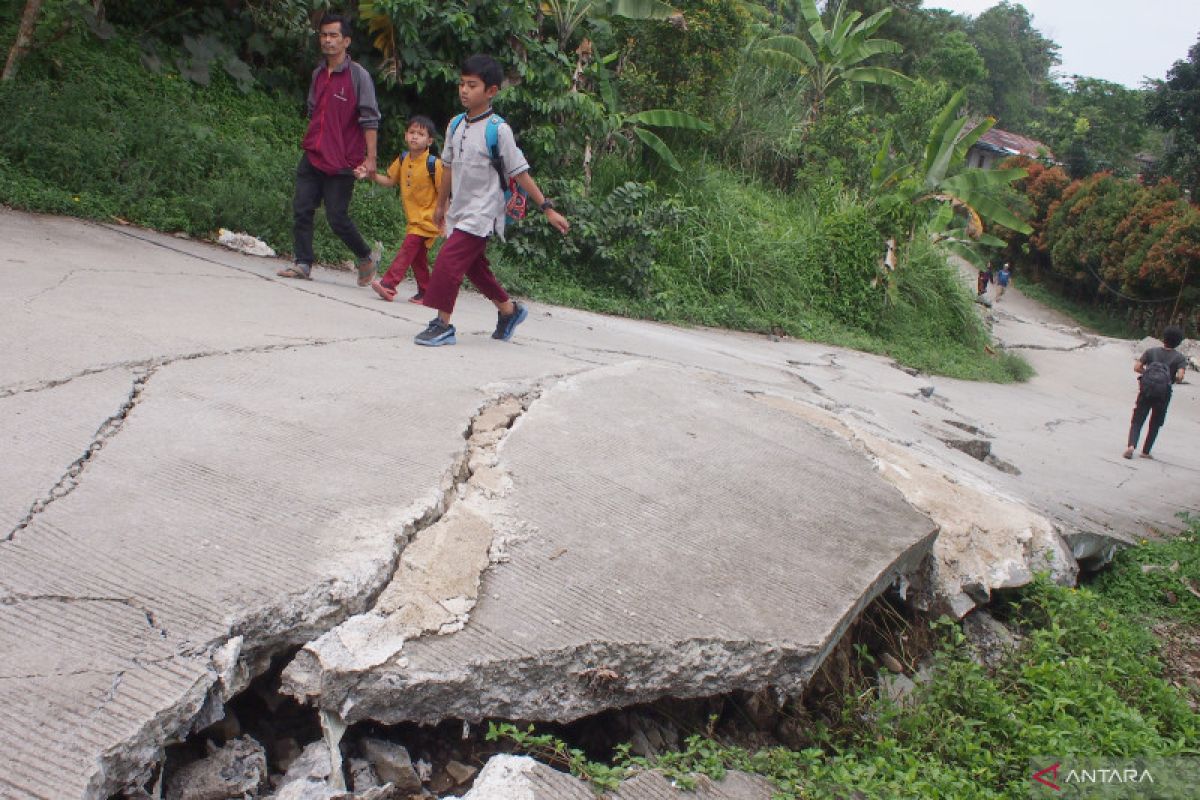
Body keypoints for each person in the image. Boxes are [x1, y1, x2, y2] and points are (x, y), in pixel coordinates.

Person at [414, 54, 570, 347]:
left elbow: (519, 172)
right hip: (460, 210)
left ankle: (442, 324)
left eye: (472, 85)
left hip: (484, 212)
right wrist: (440, 205)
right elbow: (447, 166)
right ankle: (509, 311)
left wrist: (547, 208)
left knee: (448, 261)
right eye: (462, 84)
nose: (464, 90)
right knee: (475, 268)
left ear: (491, 91)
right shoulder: (455, 125)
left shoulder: (498, 130)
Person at [277, 13, 381, 285]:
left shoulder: (359, 76)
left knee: (336, 217)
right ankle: (303, 263)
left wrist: (370, 159)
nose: (327, 40)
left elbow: (370, 118)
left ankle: (365, 256)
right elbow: (313, 110)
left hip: (343, 160)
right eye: (323, 35)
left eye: (333, 35)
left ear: (346, 41)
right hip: (314, 153)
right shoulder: (318, 74)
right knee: (302, 207)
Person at [357, 115, 443, 304]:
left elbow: (444, 192)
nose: (414, 137)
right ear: (405, 135)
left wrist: (446, 217)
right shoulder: (403, 159)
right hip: (413, 218)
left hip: (429, 219)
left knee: (408, 249)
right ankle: (427, 292)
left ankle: (389, 284)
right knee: (417, 257)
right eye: (412, 132)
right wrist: (371, 175)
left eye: (420, 134)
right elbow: (389, 180)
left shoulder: (434, 164)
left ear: (429, 141)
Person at [1124, 326, 1188, 459]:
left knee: (1138, 419)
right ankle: (1146, 451)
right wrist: (1170, 379)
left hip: (1146, 390)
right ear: (1178, 342)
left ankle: (1131, 446)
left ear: (1163, 338)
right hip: (1163, 394)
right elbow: (1181, 376)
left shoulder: (1151, 351)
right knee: (1155, 422)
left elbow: (1137, 367)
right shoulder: (1180, 358)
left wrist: (1147, 373)